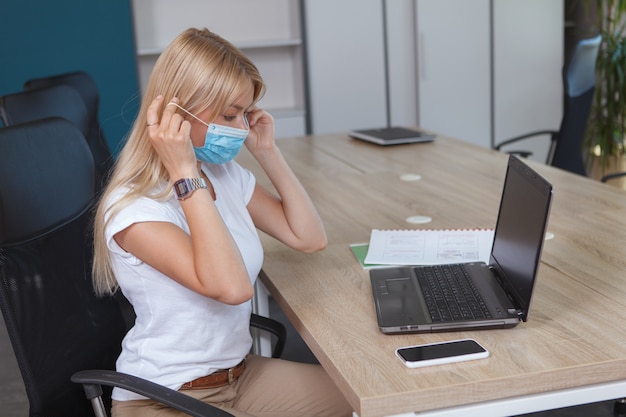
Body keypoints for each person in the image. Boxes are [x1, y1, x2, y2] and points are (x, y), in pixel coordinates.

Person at [92, 27, 352, 417]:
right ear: (177, 115)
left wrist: (268, 152)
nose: (241, 128)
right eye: (230, 115)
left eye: (245, 114)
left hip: (240, 376)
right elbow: (230, 287)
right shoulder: (134, 207)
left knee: (366, 401)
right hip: (165, 396)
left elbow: (308, 237)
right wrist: (183, 173)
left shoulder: (221, 174)